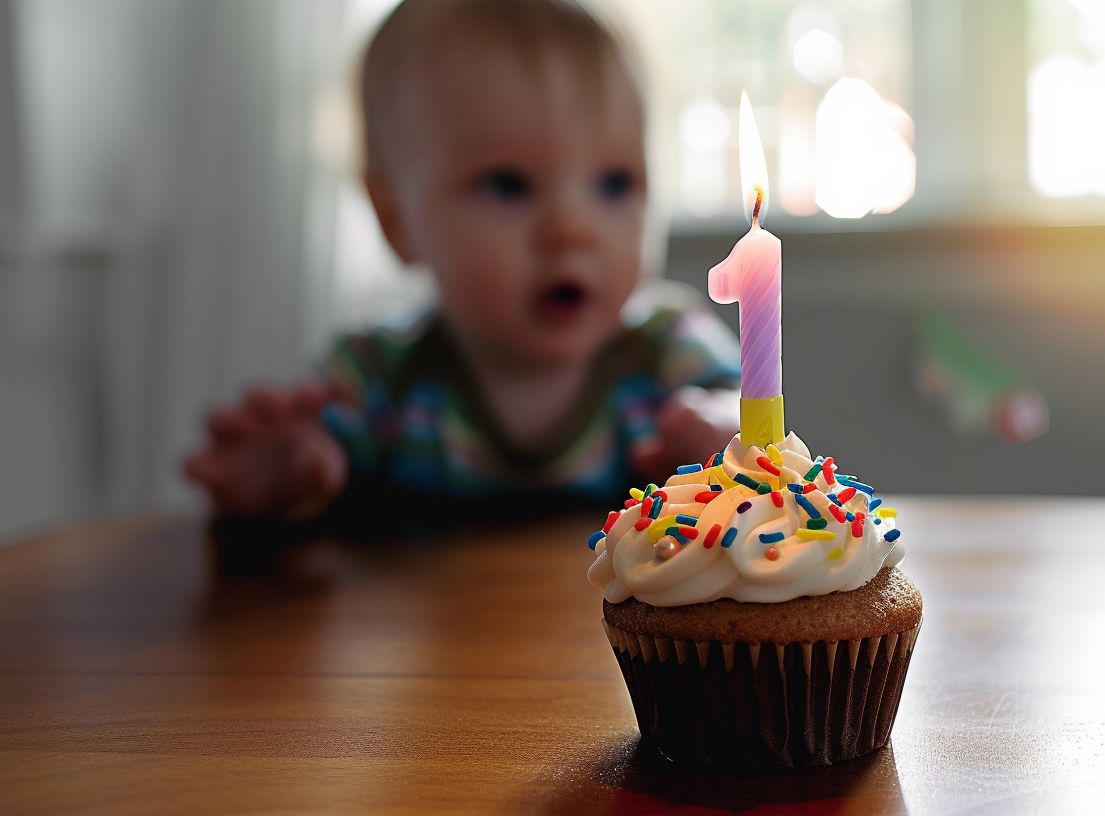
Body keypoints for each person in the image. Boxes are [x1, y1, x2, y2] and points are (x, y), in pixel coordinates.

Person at [183, 0, 739, 523]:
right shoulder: (378, 377)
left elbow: (749, 415)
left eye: (615, 183)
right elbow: (309, 495)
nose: (572, 230)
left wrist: (723, 431)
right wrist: (285, 476)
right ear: (397, 220)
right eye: (509, 185)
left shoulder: (667, 349)